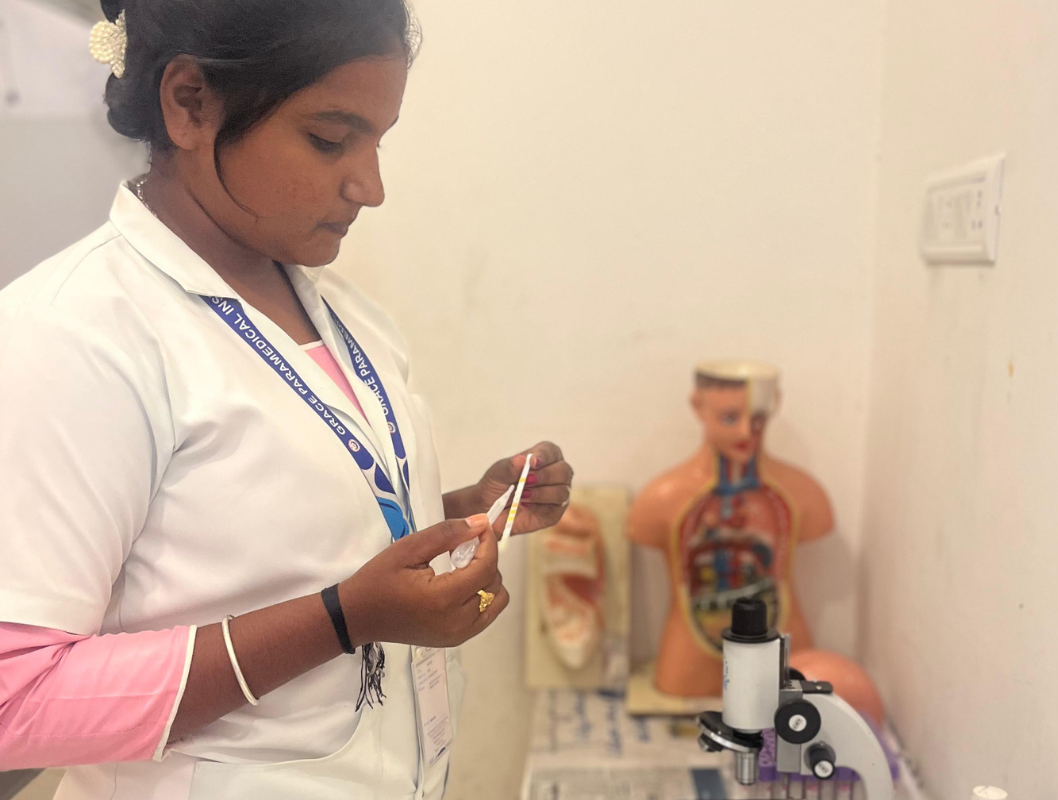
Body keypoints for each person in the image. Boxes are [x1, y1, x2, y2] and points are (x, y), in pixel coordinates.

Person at [0, 1, 573, 797]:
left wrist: (464, 512)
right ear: (191, 104)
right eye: (331, 139)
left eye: (378, 142)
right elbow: (15, 701)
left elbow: (270, 546)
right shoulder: (73, 335)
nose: (370, 186)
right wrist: (342, 620)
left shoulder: (349, 319)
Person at [626, 361, 831, 697]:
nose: (746, 432)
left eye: (758, 419)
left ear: (775, 404)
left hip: (781, 652)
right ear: (698, 406)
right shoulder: (661, 499)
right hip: (690, 662)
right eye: (730, 418)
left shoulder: (804, 495)